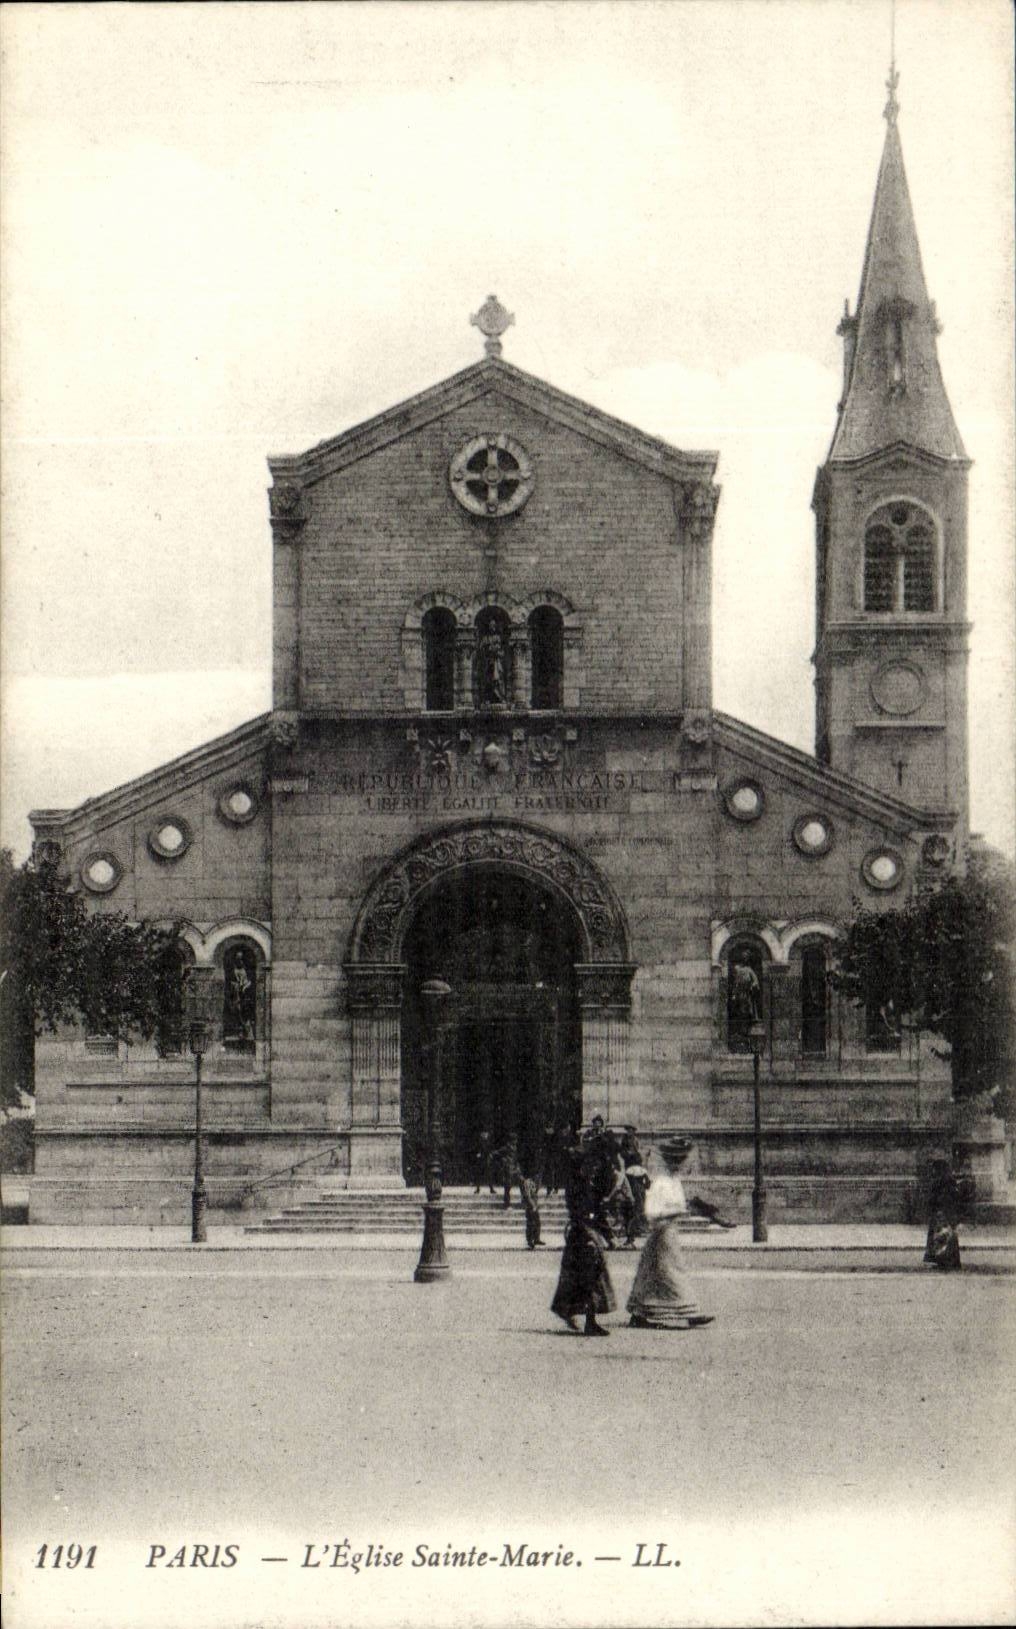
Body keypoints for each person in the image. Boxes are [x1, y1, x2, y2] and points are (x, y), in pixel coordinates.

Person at [627, 1144, 714, 1330]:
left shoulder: (675, 1181)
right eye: (676, 1162)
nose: (679, 1166)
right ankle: (690, 1313)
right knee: (671, 1273)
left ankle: (639, 1313)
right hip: (661, 1231)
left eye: (680, 1162)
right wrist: (676, 1210)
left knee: (652, 1275)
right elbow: (651, 1210)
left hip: (670, 1232)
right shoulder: (661, 1183)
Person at [551, 1148, 616, 1336]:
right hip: (581, 1237)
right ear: (581, 1167)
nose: (594, 1168)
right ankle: (589, 1321)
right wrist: (590, 1235)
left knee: (586, 1280)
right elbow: (580, 1213)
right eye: (590, 1165)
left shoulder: (588, 1185)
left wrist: (608, 1235)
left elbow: (598, 1211)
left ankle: (579, 1316)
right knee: (586, 1281)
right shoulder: (576, 1187)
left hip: (586, 1235)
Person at [923, 1155, 975, 1271]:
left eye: (935, 1169)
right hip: (946, 1214)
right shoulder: (949, 1182)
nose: (933, 1171)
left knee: (942, 1238)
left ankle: (943, 1261)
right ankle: (948, 1261)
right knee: (947, 1238)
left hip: (942, 1214)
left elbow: (936, 1199)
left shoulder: (940, 1182)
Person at [620, 1130, 649, 1241]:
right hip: (638, 1191)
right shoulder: (640, 1171)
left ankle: (636, 1228)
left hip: (636, 1191)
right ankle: (638, 1228)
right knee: (638, 1208)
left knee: (637, 1208)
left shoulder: (632, 1171)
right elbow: (647, 1183)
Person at [519, 1174, 543, 1249]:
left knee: (537, 1222)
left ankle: (536, 1238)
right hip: (530, 1206)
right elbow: (528, 1196)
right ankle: (530, 1241)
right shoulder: (528, 1182)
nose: (538, 1178)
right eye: (537, 1176)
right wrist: (533, 1205)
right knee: (530, 1223)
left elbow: (535, 1193)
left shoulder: (534, 1183)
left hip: (534, 1205)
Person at [474, 1127, 496, 1195]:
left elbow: (491, 1147)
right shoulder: (479, 1140)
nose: (484, 1135)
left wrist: (491, 1154)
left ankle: (491, 1188)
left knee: (489, 1174)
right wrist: (478, 1153)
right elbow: (476, 1147)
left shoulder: (489, 1140)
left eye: (485, 1133)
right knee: (479, 1174)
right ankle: (477, 1188)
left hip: (487, 1158)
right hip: (481, 1158)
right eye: (483, 1133)